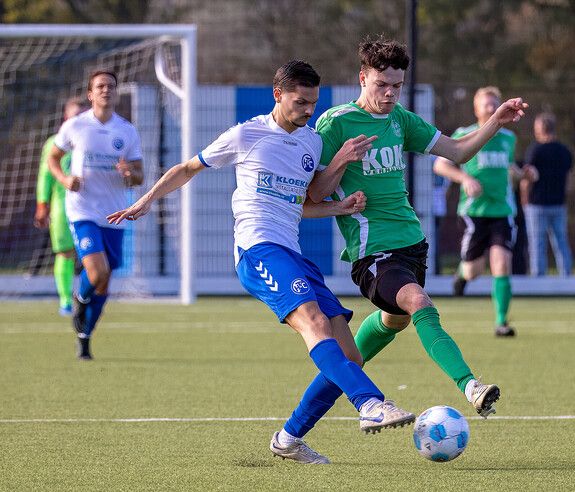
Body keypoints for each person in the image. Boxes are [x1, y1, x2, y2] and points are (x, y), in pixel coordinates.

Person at [108, 60, 415, 464]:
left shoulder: (310, 144)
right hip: (258, 249)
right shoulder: (247, 134)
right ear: (278, 95)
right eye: (300, 102)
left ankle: (288, 439)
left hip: (294, 253)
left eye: (313, 103)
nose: (308, 110)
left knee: (350, 355)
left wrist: (338, 199)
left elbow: (304, 204)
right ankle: (371, 403)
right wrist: (145, 201)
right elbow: (187, 168)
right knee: (314, 322)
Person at [273, 38, 527, 458]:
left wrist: (496, 122)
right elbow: (313, 195)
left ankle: (290, 433)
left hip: (413, 246)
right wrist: (341, 161)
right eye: (382, 85)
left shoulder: (401, 120)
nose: (390, 94)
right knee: (418, 301)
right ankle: (472, 386)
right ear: (363, 79)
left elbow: (459, 151)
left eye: (397, 85)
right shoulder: (334, 124)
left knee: (364, 347)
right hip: (372, 252)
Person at [47, 70, 144, 360]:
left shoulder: (127, 131)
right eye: (100, 86)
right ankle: (79, 298)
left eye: (111, 86)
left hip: (113, 213)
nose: (106, 90)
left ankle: (85, 335)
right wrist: (64, 180)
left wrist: (130, 173)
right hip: (82, 210)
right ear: (91, 94)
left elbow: (139, 175)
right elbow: (53, 158)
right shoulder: (75, 126)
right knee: (97, 271)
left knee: (104, 281)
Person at [433, 86, 537, 336]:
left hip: (502, 211)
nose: (491, 108)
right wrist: (464, 179)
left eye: (495, 103)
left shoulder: (508, 139)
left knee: (501, 264)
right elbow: (440, 165)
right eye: (486, 104)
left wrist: (524, 175)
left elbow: (509, 167)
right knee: (474, 270)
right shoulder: (465, 134)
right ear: (476, 108)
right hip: (474, 212)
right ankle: (462, 275)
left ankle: (501, 322)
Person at [34, 98, 85, 316]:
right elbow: (45, 177)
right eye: (75, 117)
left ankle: (85, 298)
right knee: (65, 253)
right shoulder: (54, 144)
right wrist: (42, 205)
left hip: (89, 207)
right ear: (66, 119)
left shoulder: (93, 141)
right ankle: (65, 299)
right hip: (61, 208)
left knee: (91, 255)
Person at [521, 112, 574, 277]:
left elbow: (527, 177)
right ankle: (566, 276)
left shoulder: (535, 150)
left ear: (540, 128)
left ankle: (538, 278)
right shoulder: (564, 151)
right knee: (561, 242)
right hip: (559, 203)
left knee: (537, 243)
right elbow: (569, 179)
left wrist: (524, 199)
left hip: (537, 204)